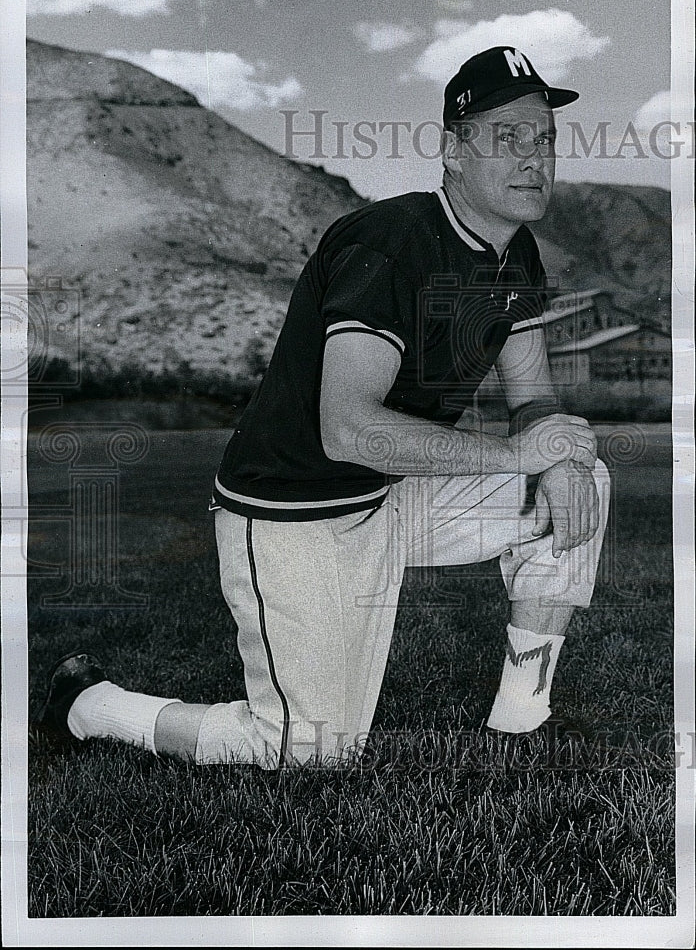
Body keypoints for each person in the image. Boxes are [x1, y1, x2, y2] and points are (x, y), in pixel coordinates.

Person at [36, 46, 610, 769]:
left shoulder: (516, 251)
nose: (534, 157)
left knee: (581, 478)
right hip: (293, 508)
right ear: (452, 151)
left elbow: (533, 395)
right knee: (305, 751)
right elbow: (349, 429)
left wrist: (550, 455)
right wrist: (519, 455)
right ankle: (90, 704)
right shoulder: (389, 241)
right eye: (507, 137)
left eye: (545, 138)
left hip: (392, 495)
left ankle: (521, 722)